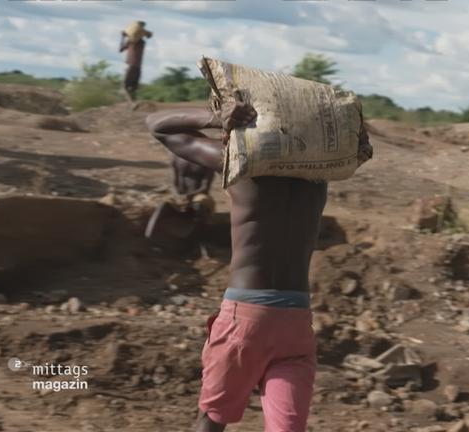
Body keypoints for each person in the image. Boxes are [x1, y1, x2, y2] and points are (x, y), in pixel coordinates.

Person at [146, 101, 370, 432]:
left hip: (245, 320)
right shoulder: (318, 177)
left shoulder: (242, 167)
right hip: (296, 326)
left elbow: (157, 125)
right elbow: (355, 155)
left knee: (211, 420)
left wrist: (214, 117)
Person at [119, 21, 152, 106]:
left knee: (124, 88)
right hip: (138, 68)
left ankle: (132, 104)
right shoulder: (142, 42)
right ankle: (135, 104)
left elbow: (120, 49)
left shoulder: (130, 42)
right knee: (133, 88)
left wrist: (122, 38)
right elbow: (149, 35)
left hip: (131, 66)